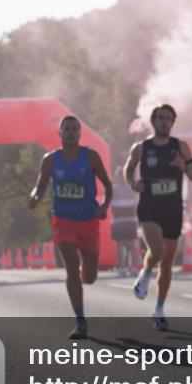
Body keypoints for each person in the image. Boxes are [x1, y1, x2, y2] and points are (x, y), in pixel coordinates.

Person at [27, 116, 113, 339]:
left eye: (75, 129)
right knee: (71, 266)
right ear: (60, 133)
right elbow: (39, 187)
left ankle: (86, 274)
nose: (71, 132)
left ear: (79, 133)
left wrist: (104, 206)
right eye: (67, 129)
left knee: (90, 277)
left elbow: (108, 184)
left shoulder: (91, 156)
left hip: (88, 221)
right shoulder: (50, 160)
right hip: (63, 220)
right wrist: (34, 197)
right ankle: (80, 320)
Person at [123, 104, 192, 330]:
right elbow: (128, 169)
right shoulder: (141, 148)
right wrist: (132, 183)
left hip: (173, 210)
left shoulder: (181, 148)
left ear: (173, 122)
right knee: (158, 250)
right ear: (153, 121)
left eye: (168, 119)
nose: (164, 122)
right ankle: (146, 273)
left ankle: (158, 309)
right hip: (149, 208)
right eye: (160, 118)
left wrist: (184, 168)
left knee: (167, 265)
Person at [110, 166, 141, 278]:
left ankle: (123, 268)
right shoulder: (131, 187)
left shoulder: (113, 188)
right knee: (131, 244)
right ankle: (132, 268)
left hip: (119, 221)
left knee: (120, 244)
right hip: (129, 220)